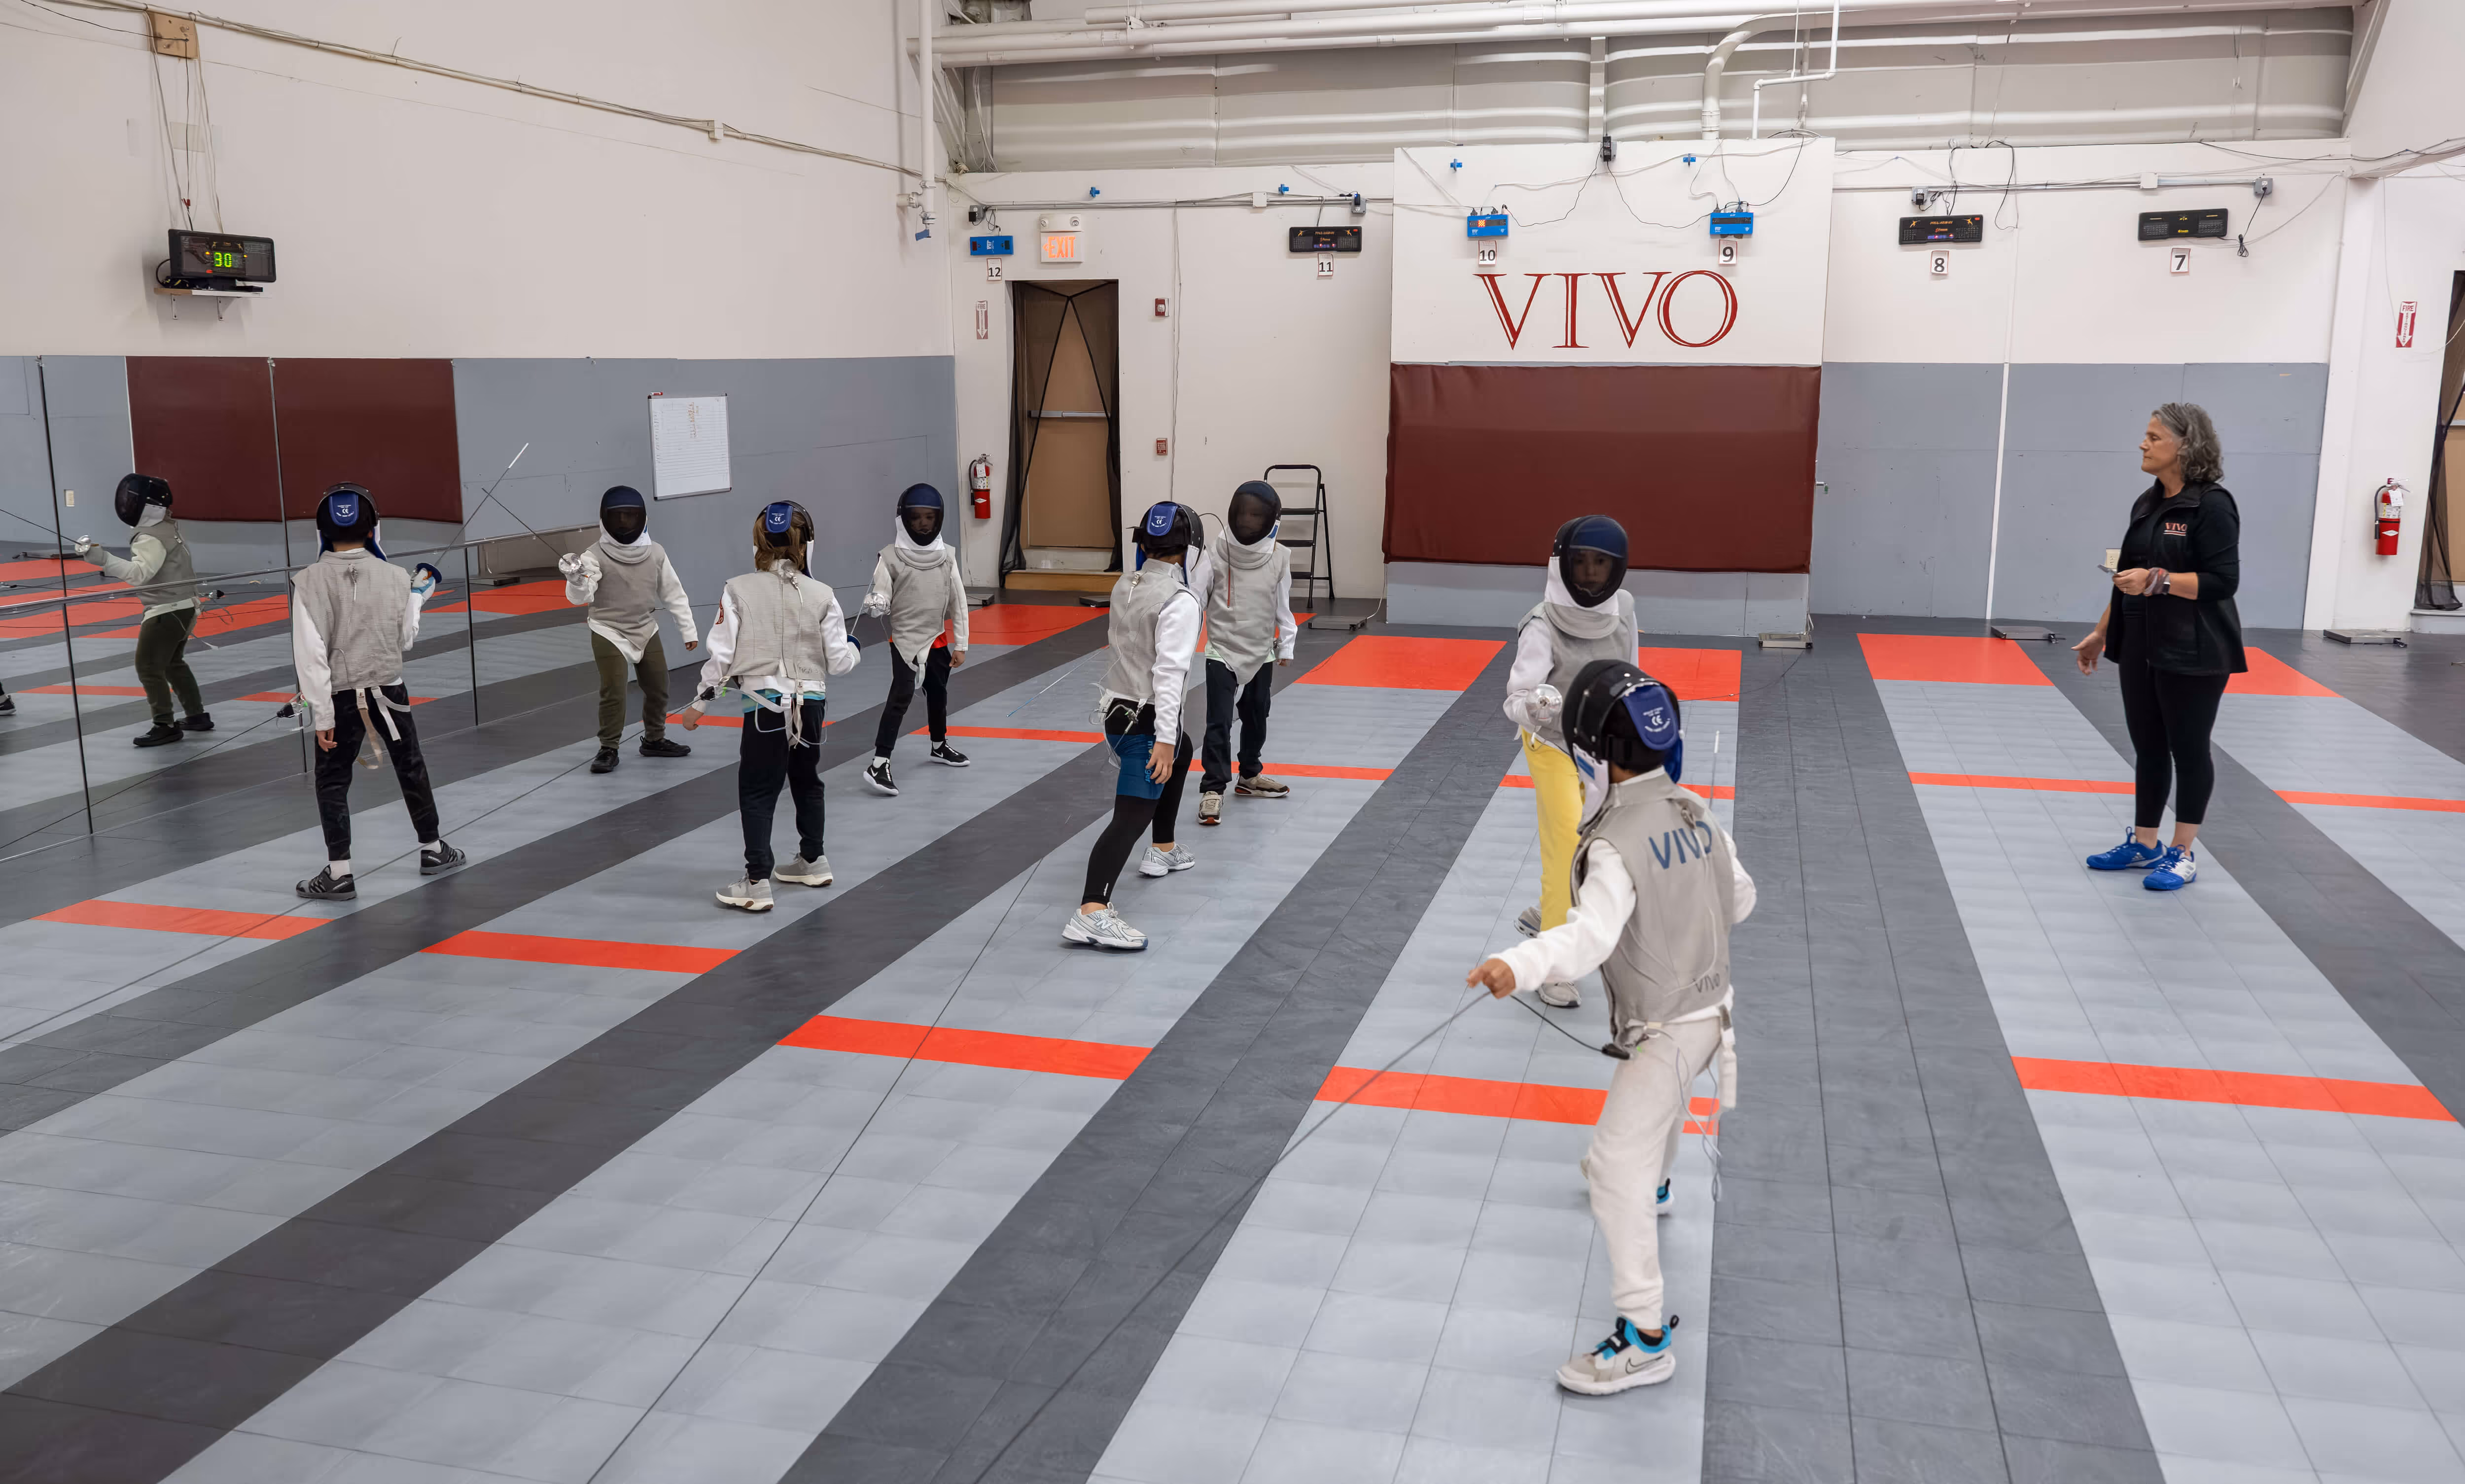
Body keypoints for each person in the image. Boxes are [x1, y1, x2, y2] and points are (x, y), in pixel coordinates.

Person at [1468, 657, 1752, 1396]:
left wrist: (1516, 963)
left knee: (1612, 1167)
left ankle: (1644, 1337)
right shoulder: (1695, 809)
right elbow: (1741, 897)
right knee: (1656, 1120)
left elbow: (1589, 938)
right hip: (1714, 1011)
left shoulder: (1614, 842)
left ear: (1593, 749)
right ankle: (1657, 1186)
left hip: (1666, 1028)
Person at [2073, 402, 2246, 891]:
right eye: (2145, 436)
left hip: (2194, 649)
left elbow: (2223, 581)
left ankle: (2182, 852)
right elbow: (2124, 576)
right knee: (2148, 746)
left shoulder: (2212, 505)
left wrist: (2158, 580)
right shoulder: (2145, 504)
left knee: (2188, 749)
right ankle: (2145, 843)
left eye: (2153, 437)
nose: (2142, 444)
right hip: (2139, 644)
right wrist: (2101, 632)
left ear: (2185, 445)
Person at [682, 500, 862, 913]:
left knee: (758, 791)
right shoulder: (823, 594)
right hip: (810, 708)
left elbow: (722, 658)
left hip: (766, 710)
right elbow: (840, 663)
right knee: (807, 781)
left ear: (758, 542)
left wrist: (700, 703)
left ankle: (757, 881)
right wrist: (854, 647)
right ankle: (813, 860)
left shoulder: (738, 589)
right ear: (806, 543)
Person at [290, 484, 465, 900]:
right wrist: (417, 597)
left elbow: (311, 655)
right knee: (411, 766)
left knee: (332, 781)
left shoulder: (308, 582)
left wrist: (322, 715)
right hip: (391, 692)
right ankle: (433, 849)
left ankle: (340, 874)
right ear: (372, 529)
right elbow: (404, 638)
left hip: (339, 699)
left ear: (322, 530)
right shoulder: (396, 577)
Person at [1502, 515, 1638, 1006]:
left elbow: (1630, 667)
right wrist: (1535, 706)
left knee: (1603, 840)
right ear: (1563, 563)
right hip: (1552, 741)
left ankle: (1549, 911)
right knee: (1565, 837)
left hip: (1599, 742)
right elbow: (1515, 697)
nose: (1591, 572)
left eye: (1601, 563)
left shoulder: (1623, 608)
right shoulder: (1542, 623)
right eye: (1581, 562)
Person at [1064, 501, 1204, 952]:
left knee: (1185, 747)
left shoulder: (1127, 582)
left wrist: (1173, 741)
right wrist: (1163, 738)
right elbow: (1170, 674)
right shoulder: (1180, 602)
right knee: (1130, 817)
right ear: (1188, 550)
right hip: (1145, 722)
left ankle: (1163, 847)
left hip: (1116, 712)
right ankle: (1092, 911)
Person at [559, 484, 699, 775]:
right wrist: (576, 578)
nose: (623, 523)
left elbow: (673, 593)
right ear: (605, 519)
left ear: (642, 517)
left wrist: (689, 631)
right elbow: (581, 597)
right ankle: (608, 748)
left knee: (659, 686)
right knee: (614, 690)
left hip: (645, 628)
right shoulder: (593, 556)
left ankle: (655, 740)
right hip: (608, 630)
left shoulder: (656, 552)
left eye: (630, 516)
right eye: (617, 517)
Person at [76, 474, 209, 746]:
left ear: (148, 506)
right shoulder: (167, 527)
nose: (127, 505)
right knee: (172, 662)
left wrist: (102, 559)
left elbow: (139, 575)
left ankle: (165, 725)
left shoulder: (149, 536)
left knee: (148, 666)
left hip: (167, 610)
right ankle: (197, 716)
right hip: (185, 606)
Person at [1196, 480, 1298, 826]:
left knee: (1257, 714)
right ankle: (1213, 788)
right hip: (1221, 649)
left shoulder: (1279, 557)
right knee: (1219, 720)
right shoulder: (1215, 553)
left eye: (1257, 516)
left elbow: (1283, 606)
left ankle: (1250, 775)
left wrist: (1286, 644)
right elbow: (1196, 601)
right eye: (1244, 514)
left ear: (1271, 519)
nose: (1248, 522)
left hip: (1261, 650)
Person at [860, 483, 971, 795]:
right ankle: (879, 763)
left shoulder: (947, 556)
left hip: (936, 638)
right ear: (904, 520)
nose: (923, 524)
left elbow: (959, 602)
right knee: (901, 697)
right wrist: (878, 602)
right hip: (906, 640)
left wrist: (962, 644)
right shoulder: (890, 557)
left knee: (938, 694)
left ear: (939, 518)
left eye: (930, 517)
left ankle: (939, 745)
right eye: (916, 518)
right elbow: (882, 591)